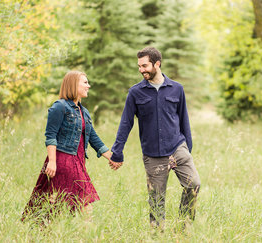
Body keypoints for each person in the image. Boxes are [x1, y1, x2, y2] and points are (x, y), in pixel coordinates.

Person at [109, 47, 201, 228]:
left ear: (157, 64)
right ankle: (157, 235)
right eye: (139, 66)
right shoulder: (135, 93)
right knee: (157, 203)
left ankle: (183, 227)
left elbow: (184, 120)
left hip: (177, 147)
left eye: (144, 65)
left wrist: (187, 149)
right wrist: (117, 152)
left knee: (194, 185)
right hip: (153, 155)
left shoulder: (176, 89)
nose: (141, 70)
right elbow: (126, 124)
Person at [22, 71, 112, 222]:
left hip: (78, 163)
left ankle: (44, 233)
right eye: (85, 82)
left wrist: (111, 157)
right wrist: (52, 161)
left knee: (59, 205)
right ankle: (89, 236)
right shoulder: (60, 107)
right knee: (83, 204)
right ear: (73, 84)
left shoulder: (84, 112)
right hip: (63, 161)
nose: (88, 86)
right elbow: (50, 136)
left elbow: (93, 138)